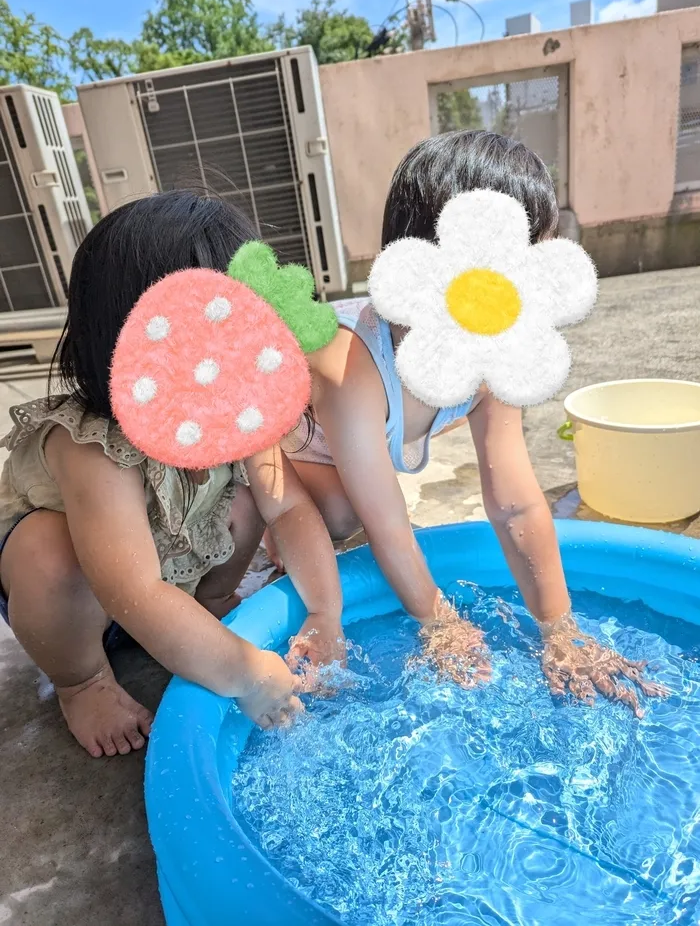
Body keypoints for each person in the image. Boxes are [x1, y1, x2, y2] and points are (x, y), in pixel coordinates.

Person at [279, 131, 666, 717]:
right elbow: (388, 525)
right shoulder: (347, 364)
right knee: (342, 517)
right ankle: (263, 545)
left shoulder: (494, 353)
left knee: (353, 511)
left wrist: (560, 628)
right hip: (288, 447)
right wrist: (438, 619)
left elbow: (515, 501)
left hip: (358, 449)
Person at [0, 191, 343, 759]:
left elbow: (290, 508)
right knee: (49, 556)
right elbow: (129, 587)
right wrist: (242, 673)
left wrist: (324, 611)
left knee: (250, 499)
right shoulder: (93, 445)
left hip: (174, 568)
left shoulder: (235, 412)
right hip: (90, 597)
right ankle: (82, 681)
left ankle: (209, 603)